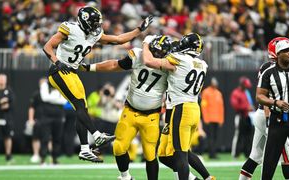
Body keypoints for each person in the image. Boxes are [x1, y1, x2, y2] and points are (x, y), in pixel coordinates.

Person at [43, 6, 153, 162]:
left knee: (82, 108)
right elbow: (47, 46)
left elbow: (118, 39)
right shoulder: (70, 29)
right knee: (80, 105)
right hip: (59, 71)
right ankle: (97, 135)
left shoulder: (94, 34)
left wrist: (139, 29)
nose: (96, 26)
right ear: (85, 20)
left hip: (72, 72)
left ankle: (84, 149)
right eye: (94, 22)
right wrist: (56, 62)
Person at [80, 35, 174, 180]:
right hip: (130, 110)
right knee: (118, 147)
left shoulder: (171, 65)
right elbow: (114, 65)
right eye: (154, 51)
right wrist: (90, 67)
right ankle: (126, 177)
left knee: (150, 154)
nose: (156, 56)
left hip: (151, 116)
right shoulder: (139, 55)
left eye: (159, 54)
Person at [142, 33, 213, 180]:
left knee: (180, 154)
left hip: (181, 108)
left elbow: (149, 61)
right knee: (172, 153)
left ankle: (206, 178)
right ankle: (206, 178)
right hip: (193, 108)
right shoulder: (203, 65)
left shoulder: (179, 60)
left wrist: (146, 42)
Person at [239, 37, 289, 180]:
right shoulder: (271, 69)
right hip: (271, 115)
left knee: (255, 157)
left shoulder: (271, 67)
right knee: (287, 159)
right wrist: (268, 120)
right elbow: (266, 98)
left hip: (264, 114)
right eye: (285, 50)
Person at [257, 38, 289, 179]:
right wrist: (275, 102)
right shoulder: (268, 73)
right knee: (270, 160)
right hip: (278, 120)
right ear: (278, 53)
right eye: (287, 51)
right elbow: (260, 96)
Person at [158, 91, 214, 180]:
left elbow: (197, 97)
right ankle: (198, 178)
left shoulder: (179, 80)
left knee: (180, 152)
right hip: (172, 116)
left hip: (180, 112)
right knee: (164, 156)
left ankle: (207, 177)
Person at [39, 80, 67, 164]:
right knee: (45, 138)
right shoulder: (45, 84)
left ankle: (54, 159)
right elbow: (44, 98)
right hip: (46, 116)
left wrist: (51, 97)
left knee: (57, 138)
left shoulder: (62, 83)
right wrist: (57, 96)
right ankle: (43, 159)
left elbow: (64, 100)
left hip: (59, 115)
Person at [0, 74, 15, 163]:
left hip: (7, 117)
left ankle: (8, 155)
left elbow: (12, 102)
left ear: (6, 80)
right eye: (0, 79)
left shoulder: (9, 90)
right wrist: (0, 102)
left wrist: (6, 104)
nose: (1, 80)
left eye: (3, 79)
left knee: (8, 137)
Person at [230, 76, 254, 158]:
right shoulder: (236, 93)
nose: (247, 87)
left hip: (248, 117)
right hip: (240, 116)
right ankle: (235, 154)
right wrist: (246, 107)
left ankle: (247, 153)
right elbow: (235, 106)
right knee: (238, 135)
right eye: (246, 85)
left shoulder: (246, 92)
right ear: (242, 84)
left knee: (249, 136)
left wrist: (250, 108)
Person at [201, 77, 224, 159]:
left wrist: (221, 119)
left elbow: (221, 107)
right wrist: (206, 118)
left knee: (215, 137)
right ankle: (211, 154)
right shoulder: (206, 92)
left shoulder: (218, 93)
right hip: (209, 119)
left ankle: (214, 153)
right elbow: (204, 106)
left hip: (217, 119)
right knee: (210, 137)